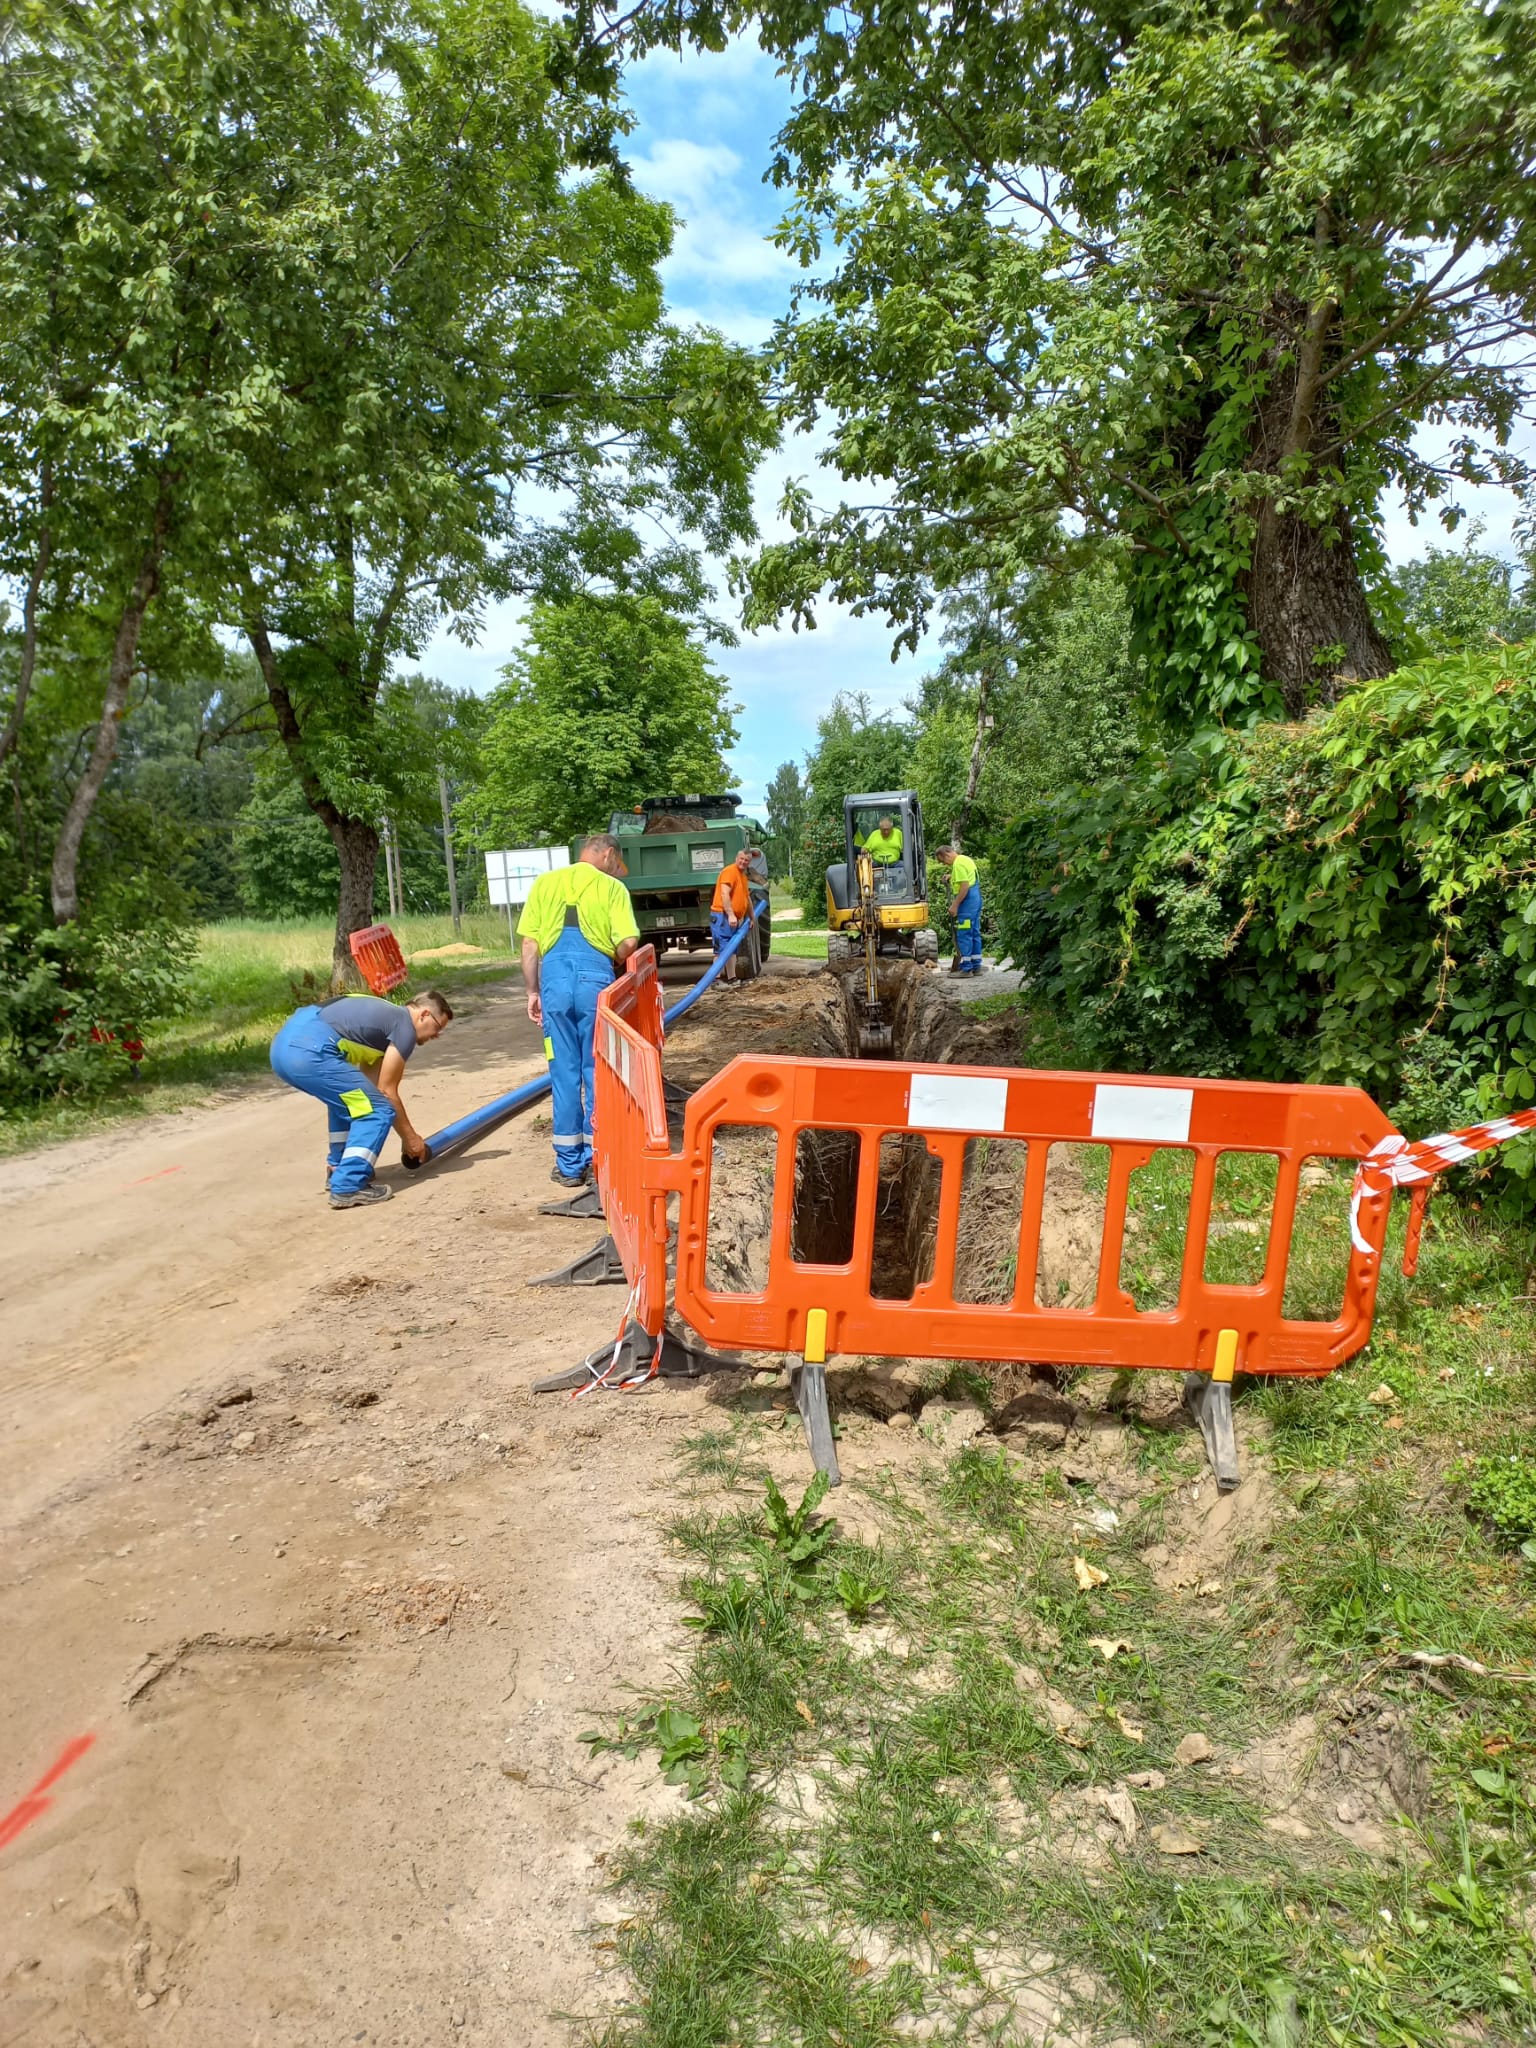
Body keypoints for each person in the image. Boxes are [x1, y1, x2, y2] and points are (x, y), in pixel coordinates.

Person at [519, 835, 640, 1187]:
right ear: (608, 854)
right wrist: (617, 957)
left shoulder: (545, 883)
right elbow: (628, 943)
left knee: (563, 1073)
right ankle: (599, 1158)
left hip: (554, 983)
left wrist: (532, 991)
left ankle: (569, 1166)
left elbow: (529, 944)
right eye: (616, 862)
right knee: (597, 1071)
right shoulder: (612, 888)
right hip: (595, 984)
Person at [270, 987, 454, 1209]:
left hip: (284, 1049)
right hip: (309, 1050)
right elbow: (387, 1092)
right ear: (424, 1014)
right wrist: (411, 1139)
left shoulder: (384, 1020)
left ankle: (339, 1168)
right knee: (379, 1111)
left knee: (356, 1103)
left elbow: (372, 1088)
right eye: (437, 1027)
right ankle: (348, 1185)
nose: (436, 1035)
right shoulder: (404, 1026)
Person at [710, 849, 756, 982]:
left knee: (732, 949)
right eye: (741, 859)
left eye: (746, 860)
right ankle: (716, 980)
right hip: (722, 916)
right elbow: (724, 894)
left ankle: (732, 978)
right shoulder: (729, 872)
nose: (743, 862)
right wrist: (730, 915)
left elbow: (747, 899)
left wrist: (752, 917)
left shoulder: (742, 877)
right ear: (736, 858)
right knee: (721, 949)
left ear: (749, 862)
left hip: (733, 918)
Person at [938, 844, 983, 975]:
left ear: (947, 854)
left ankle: (966, 968)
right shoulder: (965, 859)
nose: (945, 864)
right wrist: (951, 877)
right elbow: (967, 878)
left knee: (964, 934)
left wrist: (955, 905)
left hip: (967, 903)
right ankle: (976, 966)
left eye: (943, 861)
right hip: (975, 900)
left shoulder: (957, 864)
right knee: (974, 932)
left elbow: (964, 886)